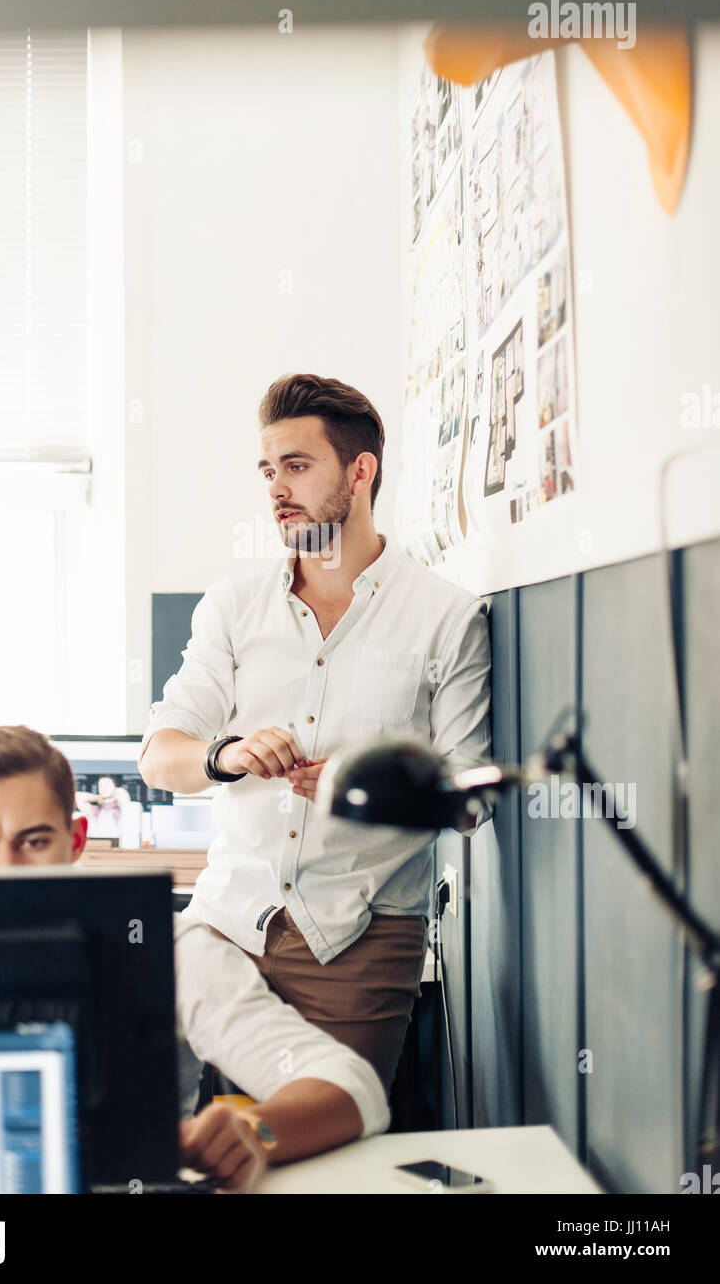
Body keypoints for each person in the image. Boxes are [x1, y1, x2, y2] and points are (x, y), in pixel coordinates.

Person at [140, 372, 492, 1094]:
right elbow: (160, 757)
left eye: (297, 467)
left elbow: (471, 798)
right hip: (227, 927)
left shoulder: (445, 617)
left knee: (330, 1139)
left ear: (360, 472)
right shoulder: (232, 608)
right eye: (269, 470)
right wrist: (226, 755)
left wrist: (370, 785)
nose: (276, 489)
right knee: (210, 1140)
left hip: (361, 941)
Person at [0, 725, 389, 1191]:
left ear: (76, 840)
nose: (8, 873)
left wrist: (257, 1131)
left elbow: (352, 1087)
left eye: (33, 842)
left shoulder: (165, 949)